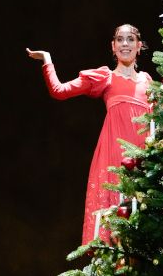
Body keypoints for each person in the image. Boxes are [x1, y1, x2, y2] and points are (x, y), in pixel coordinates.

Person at [27, 24, 152, 244]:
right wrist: (47, 59)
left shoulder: (148, 81)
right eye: (120, 40)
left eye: (130, 39)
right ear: (113, 46)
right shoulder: (105, 77)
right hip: (116, 153)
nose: (125, 44)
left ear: (139, 46)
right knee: (115, 219)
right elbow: (59, 91)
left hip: (144, 155)